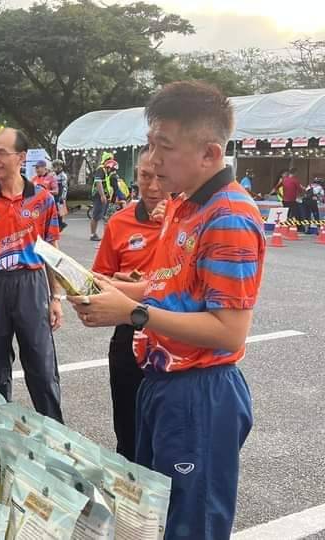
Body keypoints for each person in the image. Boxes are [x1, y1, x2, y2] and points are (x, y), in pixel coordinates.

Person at [69, 81, 265, 540]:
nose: (152, 160)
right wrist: (113, 288)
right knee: (154, 517)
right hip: (162, 383)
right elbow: (168, 285)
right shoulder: (183, 205)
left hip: (200, 393)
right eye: (150, 143)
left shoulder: (228, 217)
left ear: (209, 154)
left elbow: (229, 331)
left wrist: (133, 314)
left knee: (191, 525)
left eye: (165, 147)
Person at [0, 128, 64, 422]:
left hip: (31, 285)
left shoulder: (43, 199)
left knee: (41, 364)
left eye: (1, 153)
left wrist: (56, 297)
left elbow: (51, 251)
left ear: (21, 157)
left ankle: (54, 432)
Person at [91, 146, 168, 461]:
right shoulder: (120, 222)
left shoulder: (189, 221)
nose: (153, 187)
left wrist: (172, 223)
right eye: (145, 176)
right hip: (129, 332)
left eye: (161, 177)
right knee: (128, 433)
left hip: (175, 339)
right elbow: (99, 278)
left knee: (169, 440)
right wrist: (115, 282)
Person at [89, 153, 119, 241]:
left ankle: (104, 235)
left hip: (104, 195)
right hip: (98, 195)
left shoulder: (107, 171)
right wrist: (102, 195)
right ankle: (93, 234)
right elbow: (98, 182)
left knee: (103, 215)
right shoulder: (101, 169)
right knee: (96, 215)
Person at [52, 159, 68, 230]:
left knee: (60, 211)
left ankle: (61, 224)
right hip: (54, 193)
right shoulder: (53, 174)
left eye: (58, 166)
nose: (56, 168)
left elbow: (65, 187)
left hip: (60, 194)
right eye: (55, 166)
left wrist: (63, 197)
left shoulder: (63, 175)